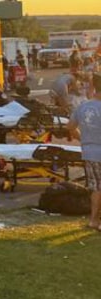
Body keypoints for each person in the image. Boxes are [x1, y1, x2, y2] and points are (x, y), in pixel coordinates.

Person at [67, 73, 101, 230]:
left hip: (90, 152)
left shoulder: (83, 106)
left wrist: (83, 140)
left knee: (97, 188)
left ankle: (94, 220)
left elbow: (70, 127)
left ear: (93, 87)